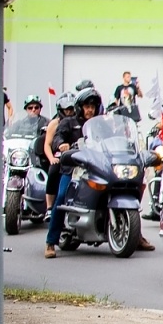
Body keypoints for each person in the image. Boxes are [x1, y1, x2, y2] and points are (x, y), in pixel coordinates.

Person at [43, 88, 102, 259]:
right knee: (61, 197)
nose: (90, 109)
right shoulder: (69, 122)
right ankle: (50, 242)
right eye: (86, 106)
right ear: (80, 107)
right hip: (73, 169)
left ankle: (136, 237)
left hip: (96, 168)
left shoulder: (99, 124)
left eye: (92, 106)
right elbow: (57, 138)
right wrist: (62, 144)